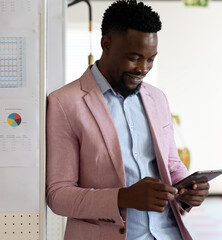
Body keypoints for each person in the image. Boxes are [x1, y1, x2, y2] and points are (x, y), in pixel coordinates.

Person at [46, 1, 209, 239]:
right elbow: (58, 195)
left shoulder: (157, 98)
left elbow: (171, 163)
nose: (143, 68)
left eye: (151, 59)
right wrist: (123, 197)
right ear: (106, 44)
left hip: (168, 233)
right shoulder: (64, 103)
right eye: (134, 58)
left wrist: (188, 188)